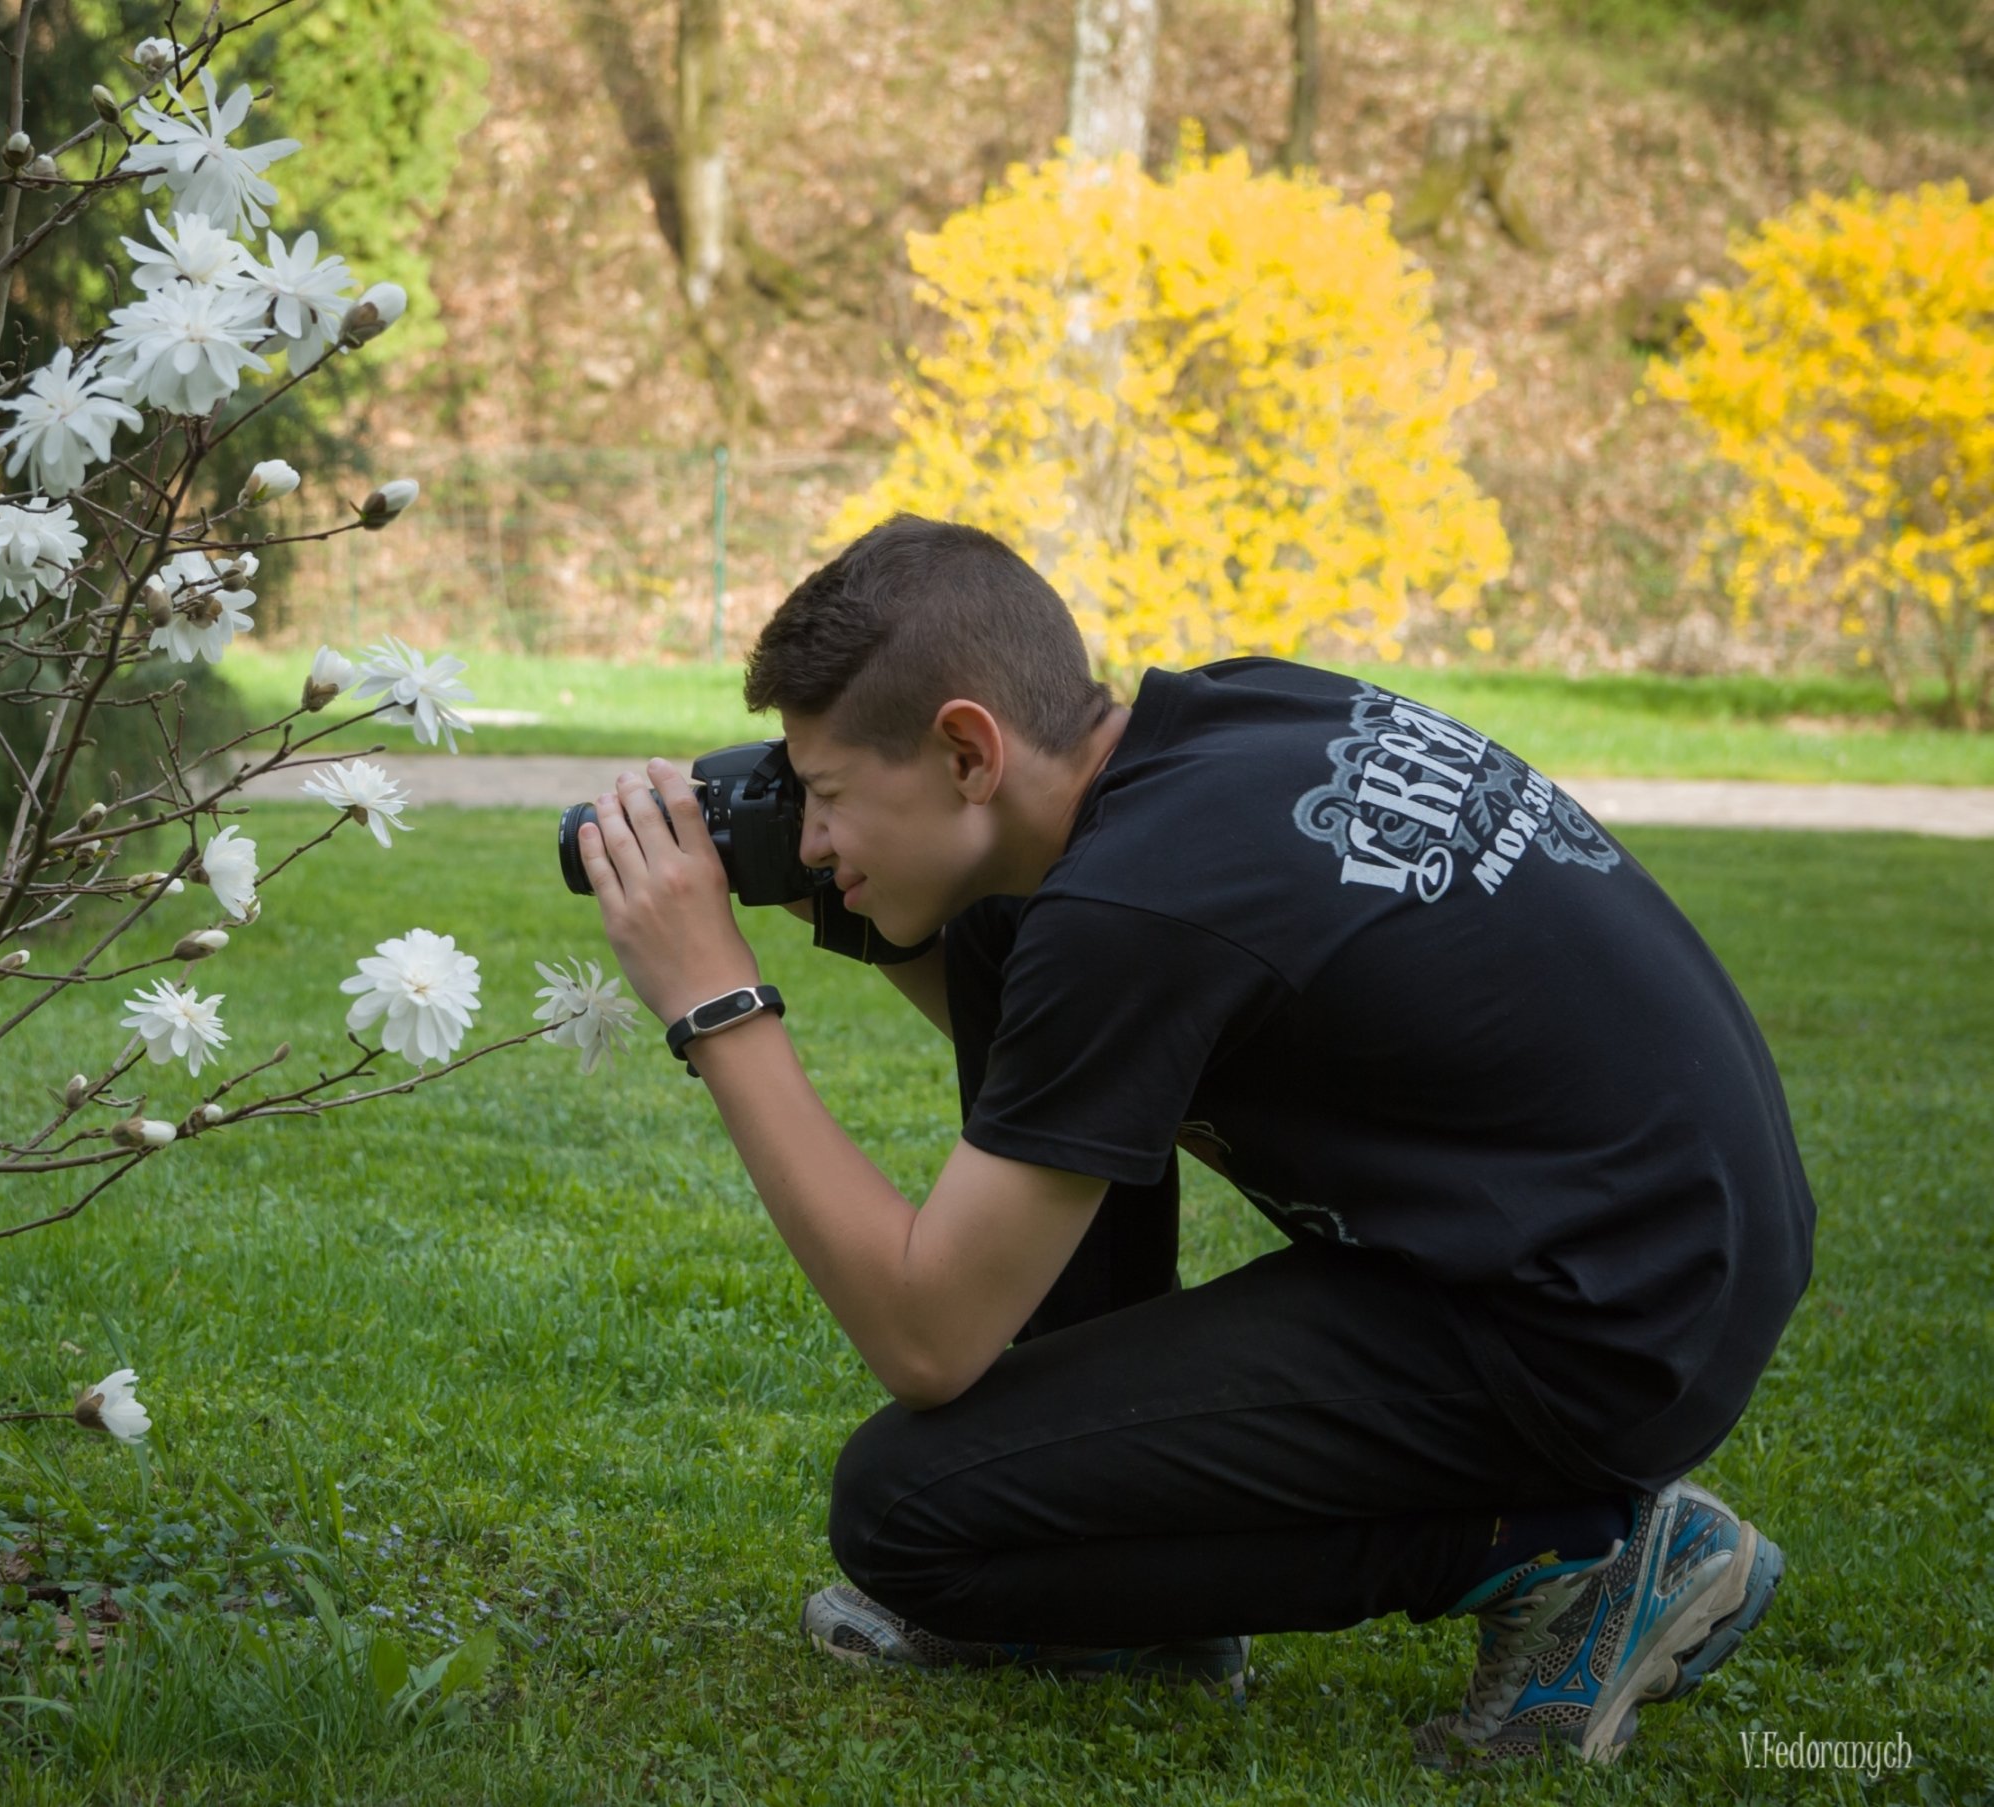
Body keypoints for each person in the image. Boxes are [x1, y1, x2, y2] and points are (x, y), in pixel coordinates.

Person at [566, 513, 1811, 1767]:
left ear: (965, 749)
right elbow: (1065, 1038)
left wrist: (715, 1002)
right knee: (1005, 927)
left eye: (826, 796)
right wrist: (812, 874)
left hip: (1594, 1326)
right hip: (1664, 1232)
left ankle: (1574, 1556)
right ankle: (1148, 1599)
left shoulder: (1130, 909)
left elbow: (925, 1335)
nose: (818, 837)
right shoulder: (1215, 734)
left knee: (910, 1512)